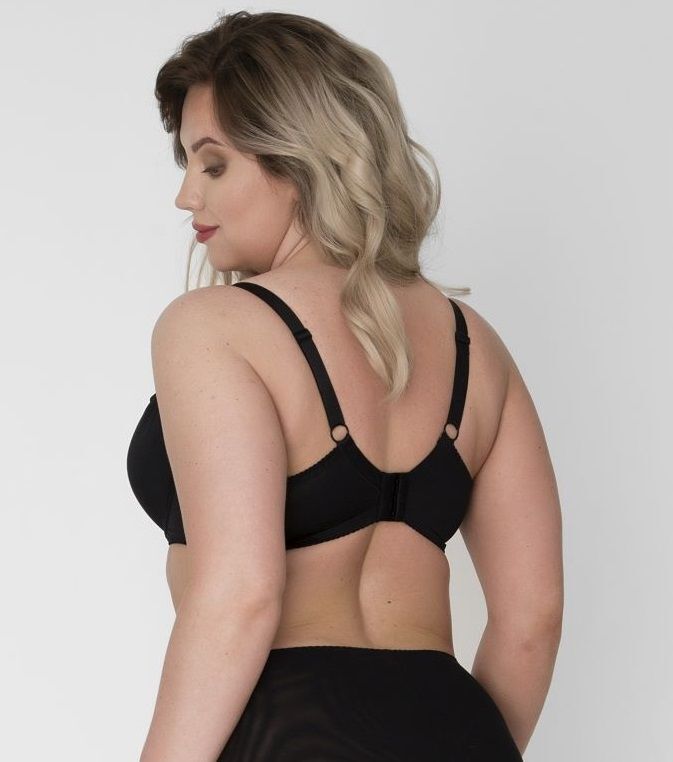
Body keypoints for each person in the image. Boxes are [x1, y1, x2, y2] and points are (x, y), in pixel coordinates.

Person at [126, 10, 563, 761]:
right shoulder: (475, 345)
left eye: (213, 165)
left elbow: (239, 597)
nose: (187, 196)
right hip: (459, 725)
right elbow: (532, 619)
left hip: (289, 732)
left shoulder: (215, 326)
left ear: (298, 158)